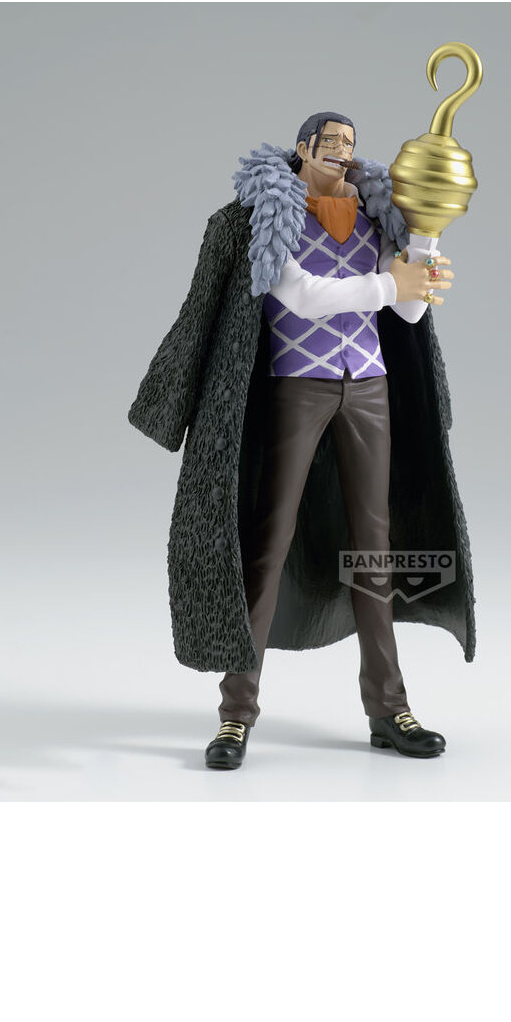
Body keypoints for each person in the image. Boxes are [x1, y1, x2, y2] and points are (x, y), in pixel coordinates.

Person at [127, 113, 476, 769]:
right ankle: (236, 714)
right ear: (304, 149)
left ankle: (389, 707)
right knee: (270, 540)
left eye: (351, 144)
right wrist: (389, 285)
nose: (344, 152)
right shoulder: (272, 218)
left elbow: (407, 310)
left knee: (374, 550)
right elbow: (303, 297)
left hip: (367, 388)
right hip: (300, 387)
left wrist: (427, 236)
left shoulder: (375, 217)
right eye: (332, 143)